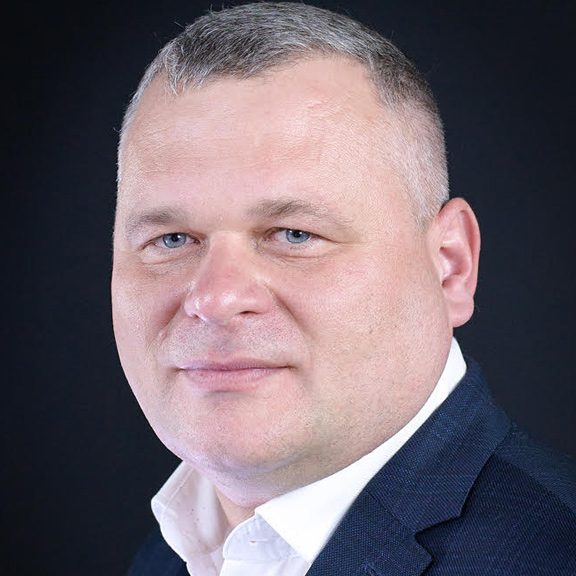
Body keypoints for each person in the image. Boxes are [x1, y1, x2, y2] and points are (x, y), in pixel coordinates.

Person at [111, 2, 576, 574]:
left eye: (295, 234)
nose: (215, 298)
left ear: (450, 266)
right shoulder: (168, 557)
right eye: (172, 239)